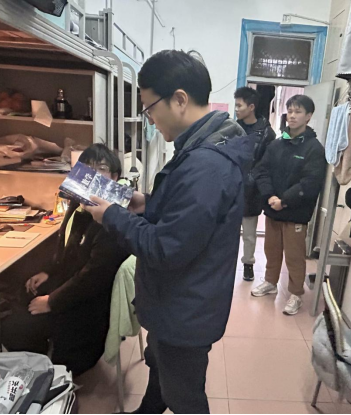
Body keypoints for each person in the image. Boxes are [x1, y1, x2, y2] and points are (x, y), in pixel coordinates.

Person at [84, 50, 251, 415]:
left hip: (185, 311)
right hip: (177, 303)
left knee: (184, 398)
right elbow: (188, 217)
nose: (149, 118)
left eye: (149, 108)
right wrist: (146, 203)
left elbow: (166, 248)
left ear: (179, 99)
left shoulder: (206, 165)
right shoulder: (201, 146)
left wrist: (112, 215)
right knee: (160, 369)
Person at [0, 144, 130, 377]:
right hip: (72, 286)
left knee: (14, 328)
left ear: (114, 177)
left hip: (88, 307)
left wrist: (52, 301)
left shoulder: (113, 220)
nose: (93, 175)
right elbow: (68, 249)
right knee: (22, 290)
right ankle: (39, 357)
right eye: (87, 169)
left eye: (101, 169)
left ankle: (47, 373)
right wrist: (48, 272)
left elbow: (93, 278)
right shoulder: (79, 206)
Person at [251, 95, 327, 316]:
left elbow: (310, 182)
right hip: (273, 208)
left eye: (298, 112)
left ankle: (296, 293)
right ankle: (270, 282)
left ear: (308, 116)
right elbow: (261, 171)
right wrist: (270, 196)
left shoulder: (314, 148)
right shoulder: (276, 144)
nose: (292, 116)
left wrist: (283, 201)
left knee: (294, 256)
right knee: (271, 250)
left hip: (295, 212)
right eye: (290, 111)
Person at [234, 87, 276, 282]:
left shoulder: (267, 133)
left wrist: (253, 179)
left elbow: (266, 164)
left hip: (252, 191)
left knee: (249, 234)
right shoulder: (232, 128)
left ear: (251, 107)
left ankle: (248, 264)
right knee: (227, 232)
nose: (236, 109)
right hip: (233, 187)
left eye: (239, 105)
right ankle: (224, 264)